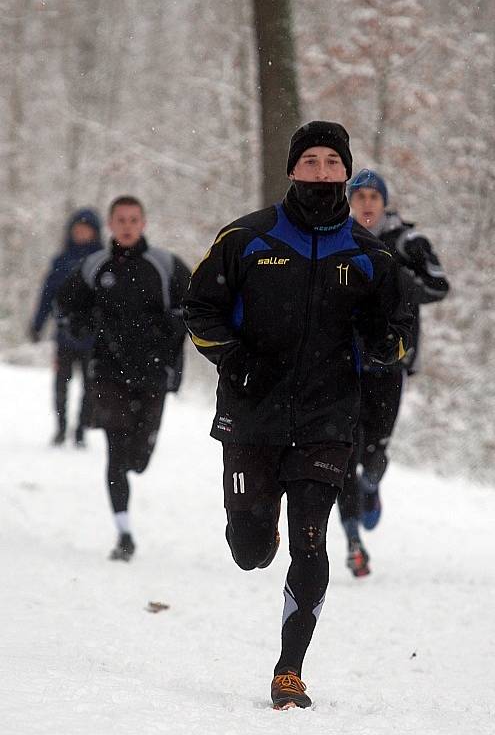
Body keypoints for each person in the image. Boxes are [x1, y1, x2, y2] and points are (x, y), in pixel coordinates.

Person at [184, 122, 413, 710]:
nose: (319, 171)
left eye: (330, 162)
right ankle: (258, 528)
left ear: (346, 172)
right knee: (250, 549)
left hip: (327, 418)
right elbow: (198, 311)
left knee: (311, 541)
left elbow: (398, 337)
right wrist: (236, 363)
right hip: (252, 415)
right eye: (308, 161)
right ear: (292, 169)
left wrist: (382, 343)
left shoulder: (371, 258)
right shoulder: (246, 238)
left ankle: (289, 670)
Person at [57, 195, 190, 561]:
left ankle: (134, 468)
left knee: (139, 459)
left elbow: (194, 308)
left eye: (134, 219)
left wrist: (171, 328)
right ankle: (124, 532)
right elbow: (67, 305)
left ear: (143, 223)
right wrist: (81, 325)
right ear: (111, 225)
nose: (127, 226)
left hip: (153, 374)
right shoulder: (94, 265)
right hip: (108, 373)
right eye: (121, 220)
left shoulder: (166, 265)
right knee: (116, 453)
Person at [338, 169, 450, 577]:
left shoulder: (408, 242)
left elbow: (439, 287)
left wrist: (397, 279)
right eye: (360, 196)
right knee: (343, 452)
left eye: (374, 196)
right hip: (343, 362)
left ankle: (372, 487)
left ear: (385, 202)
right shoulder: (337, 239)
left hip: (391, 360)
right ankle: (353, 542)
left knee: (374, 450)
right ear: (350, 201)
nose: (366, 203)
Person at [29, 208, 103, 447]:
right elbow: (47, 295)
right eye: (77, 229)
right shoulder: (61, 261)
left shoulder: (102, 261)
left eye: (86, 229)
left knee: (90, 386)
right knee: (61, 383)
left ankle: (81, 430)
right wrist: (38, 324)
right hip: (64, 335)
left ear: (95, 232)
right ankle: (61, 428)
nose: (81, 233)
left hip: (94, 337)